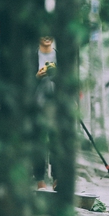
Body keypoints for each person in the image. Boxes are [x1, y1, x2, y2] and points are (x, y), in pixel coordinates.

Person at [33, 35, 58, 190]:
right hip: (37, 105)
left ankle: (57, 178)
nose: (47, 36)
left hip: (57, 105)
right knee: (39, 142)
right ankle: (40, 179)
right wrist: (36, 76)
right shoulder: (31, 56)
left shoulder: (60, 56)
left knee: (57, 142)